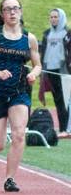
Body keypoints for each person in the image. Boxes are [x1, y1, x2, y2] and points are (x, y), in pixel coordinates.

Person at [0, 0, 42, 192]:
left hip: (19, 91)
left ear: (20, 12)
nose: (12, 12)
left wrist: (33, 74)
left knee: (19, 134)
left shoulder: (29, 39)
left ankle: (10, 179)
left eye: (15, 9)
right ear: (2, 14)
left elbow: (38, 64)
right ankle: (1, 141)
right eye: (7, 9)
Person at [40, 8, 70, 138]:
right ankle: (63, 128)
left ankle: (66, 128)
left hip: (63, 72)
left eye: (56, 17)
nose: (53, 19)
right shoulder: (47, 34)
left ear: (61, 18)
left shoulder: (68, 33)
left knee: (66, 100)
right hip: (49, 71)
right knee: (57, 100)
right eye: (51, 17)